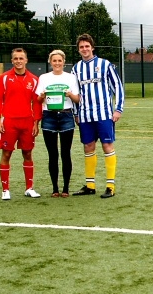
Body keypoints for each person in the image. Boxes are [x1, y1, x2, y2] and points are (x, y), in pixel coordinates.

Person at [71, 33, 125, 198]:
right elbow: (74, 93)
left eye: (87, 46)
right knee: (88, 147)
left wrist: (118, 109)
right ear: (78, 50)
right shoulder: (76, 69)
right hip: (85, 115)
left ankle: (110, 186)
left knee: (107, 146)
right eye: (81, 47)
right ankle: (90, 185)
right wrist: (76, 113)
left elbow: (118, 87)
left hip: (104, 114)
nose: (84, 49)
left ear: (92, 47)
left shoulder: (105, 64)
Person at [0, 48, 43, 200]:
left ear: (26, 60)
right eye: (16, 58)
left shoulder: (34, 79)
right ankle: (5, 190)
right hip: (9, 122)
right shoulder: (4, 78)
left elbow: (37, 103)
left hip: (27, 122)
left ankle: (29, 188)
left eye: (21, 58)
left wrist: (36, 123)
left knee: (27, 153)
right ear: (12, 61)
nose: (19, 61)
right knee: (6, 153)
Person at [35, 50, 80, 197]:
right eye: (54, 61)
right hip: (49, 117)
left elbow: (77, 99)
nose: (57, 63)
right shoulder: (44, 77)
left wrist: (70, 95)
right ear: (50, 62)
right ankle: (55, 188)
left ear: (64, 62)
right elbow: (38, 100)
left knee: (66, 154)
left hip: (66, 115)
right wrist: (41, 97)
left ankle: (66, 188)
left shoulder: (71, 77)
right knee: (52, 154)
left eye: (59, 60)